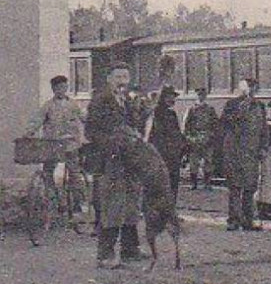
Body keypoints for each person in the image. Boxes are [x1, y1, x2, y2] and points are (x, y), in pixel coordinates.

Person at [85, 64, 145, 268]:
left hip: (128, 160)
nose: (122, 80)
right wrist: (112, 144)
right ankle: (105, 255)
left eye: (125, 76)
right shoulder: (100, 100)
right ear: (109, 78)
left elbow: (134, 126)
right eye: (118, 76)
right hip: (110, 161)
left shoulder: (127, 101)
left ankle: (130, 249)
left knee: (131, 203)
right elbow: (91, 131)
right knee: (112, 206)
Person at [27, 73, 87, 207]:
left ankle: (78, 203)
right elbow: (37, 120)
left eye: (64, 87)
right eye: (58, 88)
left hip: (70, 144)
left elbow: (83, 119)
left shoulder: (73, 105)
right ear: (53, 89)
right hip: (53, 144)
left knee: (75, 172)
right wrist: (29, 132)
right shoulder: (48, 106)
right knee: (48, 171)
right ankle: (53, 197)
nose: (61, 90)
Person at [220, 79, 267, 231]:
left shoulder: (259, 106)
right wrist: (240, 112)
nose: (252, 90)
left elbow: (263, 129)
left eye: (254, 87)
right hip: (235, 151)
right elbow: (224, 125)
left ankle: (248, 220)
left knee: (250, 187)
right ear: (242, 89)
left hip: (252, 152)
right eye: (249, 87)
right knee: (235, 186)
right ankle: (233, 220)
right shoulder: (231, 105)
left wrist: (263, 147)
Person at [144, 85, 188, 201]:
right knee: (161, 185)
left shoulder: (171, 114)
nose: (172, 100)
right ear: (163, 98)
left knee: (172, 184)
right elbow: (150, 136)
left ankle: (170, 212)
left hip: (173, 156)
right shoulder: (155, 114)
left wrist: (183, 149)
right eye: (169, 97)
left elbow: (177, 134)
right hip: (161, 156)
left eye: (173, 97)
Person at [182, 87, 220, 189]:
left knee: (208, 161)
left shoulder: (210, 110)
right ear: (196, 95)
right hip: (194, 138)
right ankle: (193, 183)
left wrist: (212, 136)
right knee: (194, 162)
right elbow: (185, 125)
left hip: (207, 138)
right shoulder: (191, 109)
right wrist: (189, 138)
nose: (201, 97)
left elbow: (215, 124)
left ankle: (207, 183)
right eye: (199, 95)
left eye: (203, 95)